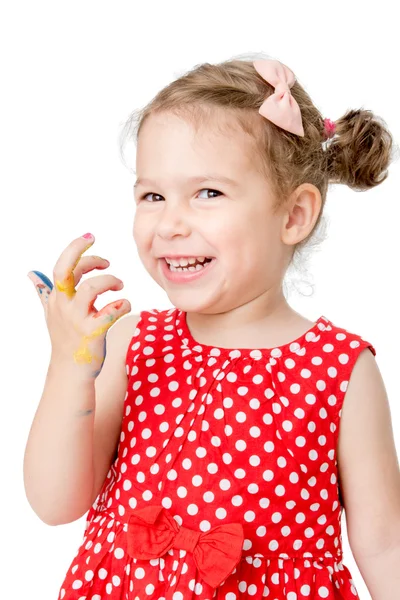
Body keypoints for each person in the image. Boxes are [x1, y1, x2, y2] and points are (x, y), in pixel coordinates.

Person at [24, 54, 400, 599]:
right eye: (153, 195)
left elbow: (384, 541)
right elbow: (53, 503)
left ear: (294, 214)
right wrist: (68, 366)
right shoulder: (134, 343)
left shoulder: (341, 372)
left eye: (208, 193)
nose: (170, 224)